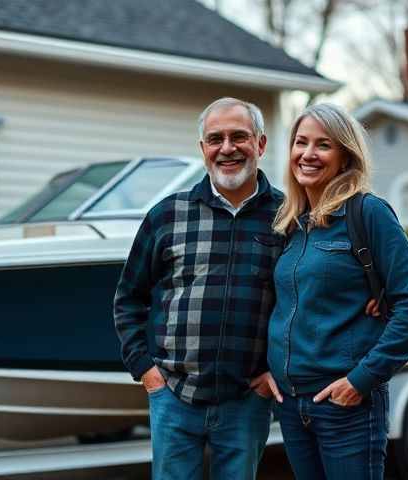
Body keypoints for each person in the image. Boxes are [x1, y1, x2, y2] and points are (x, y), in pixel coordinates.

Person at [113, 97, 284, 479]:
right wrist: (145, 370)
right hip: (173, 395)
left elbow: (303, 304)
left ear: (260, 144)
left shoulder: (288, 218)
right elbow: (128, 299)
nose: (227, 148)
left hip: (247, 400)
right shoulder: (166, 215)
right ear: (203, 148)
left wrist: (276, 372)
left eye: (238, 137)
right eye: (215, 139)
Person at [267, 103, 408, 479]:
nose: (308, 154)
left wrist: (361, 380)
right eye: (300, 142)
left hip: (346, 406)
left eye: (323, 145)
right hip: (293, 407)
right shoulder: (290, 225)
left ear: (345, 156)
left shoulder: (369, 213)